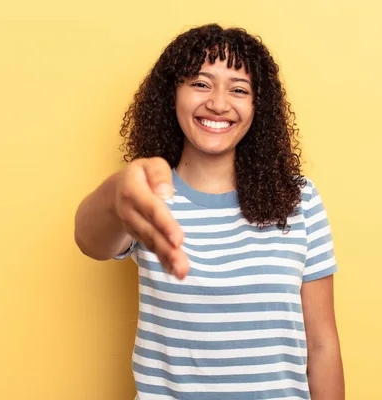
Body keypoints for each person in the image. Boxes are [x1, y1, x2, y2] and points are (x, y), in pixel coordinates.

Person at [75, 23, 344, 400]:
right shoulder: (145, 193)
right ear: (173, 95)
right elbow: (89, 241)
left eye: (238, 89)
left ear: (257, 107)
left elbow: (322, 345)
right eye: (201, 84)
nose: (218, 103)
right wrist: (114, 194)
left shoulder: (299, 199)